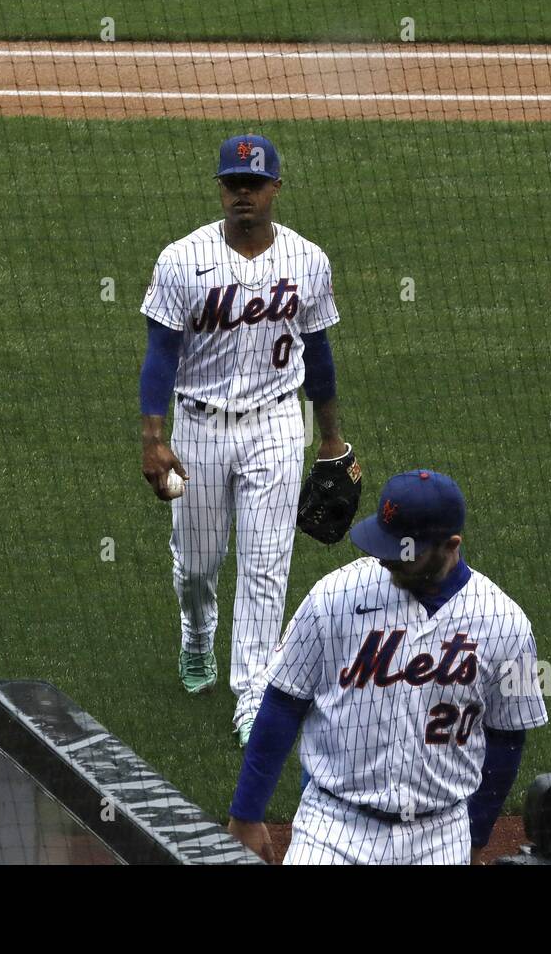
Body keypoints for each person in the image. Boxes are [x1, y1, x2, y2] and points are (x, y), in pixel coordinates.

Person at [139, 134, 352, 747]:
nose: (242, 195)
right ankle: (197, 632)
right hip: (199, 426)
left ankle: (253, 692)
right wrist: (154, 438)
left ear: (275, 189)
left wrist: (332, 439)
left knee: (265, 567)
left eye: (253, 184)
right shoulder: (182, 258)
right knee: (198, 565)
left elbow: (320, 354)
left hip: (278, 425)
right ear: (220, 188)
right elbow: (159, 355)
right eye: (232, 183)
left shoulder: (309, 260)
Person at [226, 469, 548, 863]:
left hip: (440, 834)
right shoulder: (335, 596)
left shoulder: (504, 624)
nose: (387, 557)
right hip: (332, 826)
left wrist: (476, 835)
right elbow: (282, 703)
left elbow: (506, 737)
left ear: (450, 545)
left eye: (405, 551)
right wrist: (246, 813)